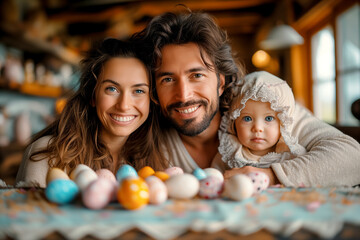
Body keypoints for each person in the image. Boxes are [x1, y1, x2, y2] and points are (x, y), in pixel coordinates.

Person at [131, 9, 360, 187]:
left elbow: (353, 158)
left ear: (220, 82)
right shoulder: (145, 137)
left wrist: (269, 175)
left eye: (197, 75)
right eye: (167, 80)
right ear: (154, 91)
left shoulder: (261, 105)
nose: (184, 95)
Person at [15, 38, 169, 188]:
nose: (124, 105)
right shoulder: (48, 155)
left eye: (138, 91)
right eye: (112, 89)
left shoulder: (155, 156)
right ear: (92, 96)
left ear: (152, 101)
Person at [218, 71, 306, 170]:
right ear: (233, 121)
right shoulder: (228, 153)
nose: (257, 128)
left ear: (284, 122)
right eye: (247, 118)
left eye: (269, 118)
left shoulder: (292, 156)